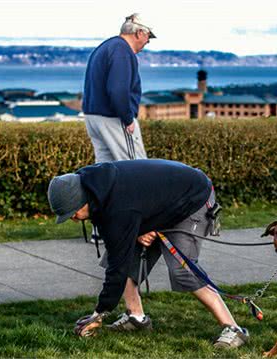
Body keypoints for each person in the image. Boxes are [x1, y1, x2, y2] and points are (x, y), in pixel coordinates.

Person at [47, 159, 249, 348]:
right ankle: (136, 318)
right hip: (161, 203)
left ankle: (234, 330)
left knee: (183, 269)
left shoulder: (118, 206)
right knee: (114, 258)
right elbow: (126, 230)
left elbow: (121, 248)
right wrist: (141, 228)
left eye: (72, 212)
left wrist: (99, 313)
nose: (73, 218)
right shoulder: (93, 187)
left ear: (84, 200)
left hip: (193, 197)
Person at [82, 13, 154, 163]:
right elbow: (117, 90)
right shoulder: (122, 50)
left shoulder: (105, 47)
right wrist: (128, 119)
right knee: (137, 168)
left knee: (105, 172)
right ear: (139, 33)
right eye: (148, 36)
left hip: (93, 117)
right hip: (113, 118)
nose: (148, 41)